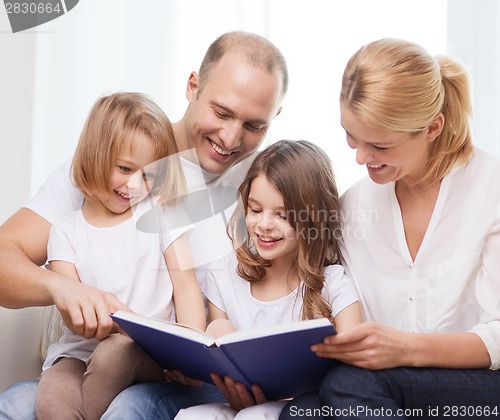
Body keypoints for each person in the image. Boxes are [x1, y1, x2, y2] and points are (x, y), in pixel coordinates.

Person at [0, 31, 288, 419]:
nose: (230, 137)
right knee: (16, 404)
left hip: (187, 377)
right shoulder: (106, 170)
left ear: (275, 119)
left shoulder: (267, 195)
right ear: (193, 86)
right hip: (91, 365)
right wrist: (59, 285)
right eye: (221, 113)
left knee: (130, 406)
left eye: (254, 125)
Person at [279, 38, 500, 420]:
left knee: (348, 386)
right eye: (351, 137)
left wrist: (406, 349)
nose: (362, 157)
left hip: (483, 389)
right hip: (386, 393)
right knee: (300, 412)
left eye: (379, 146)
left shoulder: (491, 189)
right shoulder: (352, 209)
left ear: (432, 128)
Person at [34, 92, 207, 420]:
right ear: (95, 155)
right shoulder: (66, 231)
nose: (134, 185)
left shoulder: (162, 212)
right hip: (78, 353)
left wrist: (189, 355)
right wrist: (114, 314)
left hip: (146, 352)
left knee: (115, 353)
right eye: (125, 168)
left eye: (148, 176)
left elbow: (186, 289)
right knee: (54, 400)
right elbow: (74, 316)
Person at [175, 140, 363, 420]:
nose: (264, 224)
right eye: (255, 209)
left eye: (283, 215)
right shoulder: (225, 274)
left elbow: (353, 372)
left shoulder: (333, 284)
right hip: (237, 404)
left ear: (313, 218)